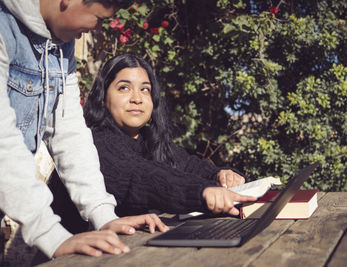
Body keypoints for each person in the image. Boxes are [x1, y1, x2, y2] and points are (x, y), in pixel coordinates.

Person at [0, 0, 168, 260]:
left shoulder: (60, 46)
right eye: (99, 19)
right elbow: (2, 143)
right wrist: (52, 236)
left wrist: (103, 215)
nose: (97, 29)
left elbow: (69, 133)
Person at [84, 54, 257, 217]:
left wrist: (223, 175)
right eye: (124, 88)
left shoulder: (150, 140)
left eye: (145, 89)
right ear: (102, 99)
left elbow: (191, 167)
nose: (137, 98)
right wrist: (203, 192)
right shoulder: (96, 144)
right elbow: (144, 177)